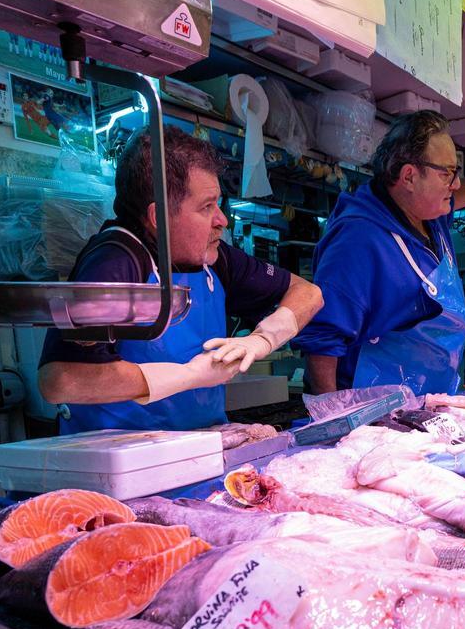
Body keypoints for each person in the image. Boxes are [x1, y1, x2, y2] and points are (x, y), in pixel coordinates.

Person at [39, 126, 323, 433]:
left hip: (200, 446)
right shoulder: (115, 261)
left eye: (218, 204)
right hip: (118, 454)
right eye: (207, 207)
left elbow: (308, 293)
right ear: (158, 217)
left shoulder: (216, 258)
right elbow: (61, 380)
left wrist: (263, 339)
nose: (222, 221)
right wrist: (190, 375)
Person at [295, 110, 465, 395]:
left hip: (430, 398)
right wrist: (336, 416)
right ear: (409, 176)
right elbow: (322, 342)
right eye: (447, 173)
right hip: (373, 408)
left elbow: (458, 195)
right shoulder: (358, 240)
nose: (456, 184)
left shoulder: (430, 215)